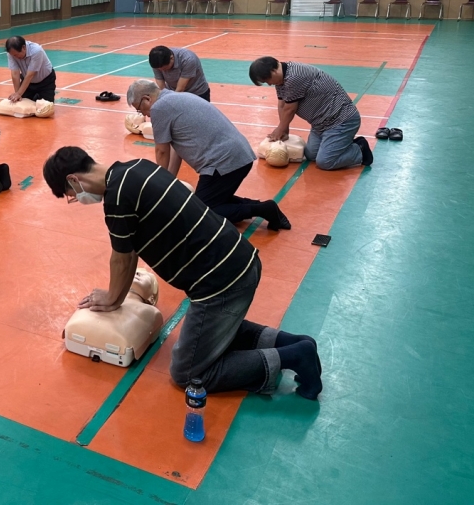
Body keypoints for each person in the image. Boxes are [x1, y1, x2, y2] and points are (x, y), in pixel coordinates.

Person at [42, 146, 322, 399]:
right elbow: (130, 252)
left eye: (71, 196)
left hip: (220, 282)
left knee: (188, 374)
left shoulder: (117, 198)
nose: (77, 199)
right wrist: (118, 294)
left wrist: (113, 299)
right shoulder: (138, 167)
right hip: (237, 260)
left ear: (73, 180)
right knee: (211, 333)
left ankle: (294, 356)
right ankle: (293, 343)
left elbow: (122, 258)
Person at [126, 80, 290, 230]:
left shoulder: (159, 108)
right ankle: (263, 207)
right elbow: (176, 150)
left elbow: (161, 151)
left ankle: (264, 209)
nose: (144, 115)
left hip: (223, 162)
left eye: (140, 109)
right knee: (213, 200)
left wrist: (158, 185)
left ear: (147, 99)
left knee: (202, 212)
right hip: (235, 155)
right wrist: (168, 181)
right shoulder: (174, 97)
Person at [249, 56, 371, 170]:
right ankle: (339, 144)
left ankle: (360, 149)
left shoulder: (294, 77)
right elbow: (282, 104)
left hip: (341, 121)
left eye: (267, 80)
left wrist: (280, 129)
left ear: (273, 71)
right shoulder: (281, 80)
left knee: (325, 162)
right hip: (320, 124)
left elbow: (290, 108)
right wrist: (284, 129)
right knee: (310, 155)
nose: (269, 84)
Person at [4, 36, 56, 102]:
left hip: (45, 81)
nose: (15, 57)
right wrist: (17, 93)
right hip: (28, 83)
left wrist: (19, 93)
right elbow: (15, 73)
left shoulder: (37, 51)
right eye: (13, 55)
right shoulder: (11, 54)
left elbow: (30, 75)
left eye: (17, 54)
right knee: (22, 102)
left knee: (46, 107)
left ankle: (38, 96)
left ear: (24, 47)